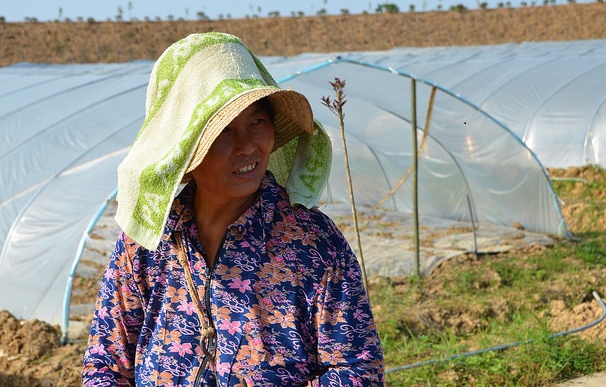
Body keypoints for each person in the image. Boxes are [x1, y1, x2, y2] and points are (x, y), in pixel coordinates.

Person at [82, 32, 385, 386]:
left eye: (257, 121)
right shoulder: (148, 243)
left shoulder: (311, 244)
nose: (247, 146)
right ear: (186, 151)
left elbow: (357, 369)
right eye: (223, 130)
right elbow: (105, 364)